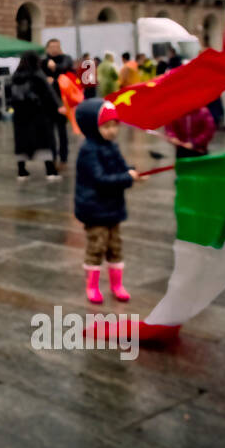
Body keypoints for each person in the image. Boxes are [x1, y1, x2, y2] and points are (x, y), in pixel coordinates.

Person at [74, 98, 140, 304]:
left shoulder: (111, 146)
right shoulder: (89, 150)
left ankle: (117, 285)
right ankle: (92, 286)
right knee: (97, 246)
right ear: (93, 126)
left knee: (115, 246)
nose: (112, 130)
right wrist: (127, 178)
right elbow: (100, 179)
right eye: (106, 126)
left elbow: (119, 168)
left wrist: (132, 171)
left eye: (114, 125)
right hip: (95, 208)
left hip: (112, 206)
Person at [8, 52, 63, 180]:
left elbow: (10, 95)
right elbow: (49, 92)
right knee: (44, 141)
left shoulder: (16, 76)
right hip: (38, 114)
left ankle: (21, 171)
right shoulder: (37, 74)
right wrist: (59, 106)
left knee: (21, 142)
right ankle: (50, 171)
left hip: (20, 115)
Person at [41, 38, 74, 168]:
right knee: (49, 132)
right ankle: (52, 157)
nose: (54, 49)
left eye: (57, 46)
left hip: (62, 102)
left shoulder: (65, 59)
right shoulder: (43, 61)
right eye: (52, 46)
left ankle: (63, 158)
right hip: (48, 102)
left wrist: (54, 78)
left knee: (62, 131)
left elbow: (67, 69)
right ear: (47, 48)